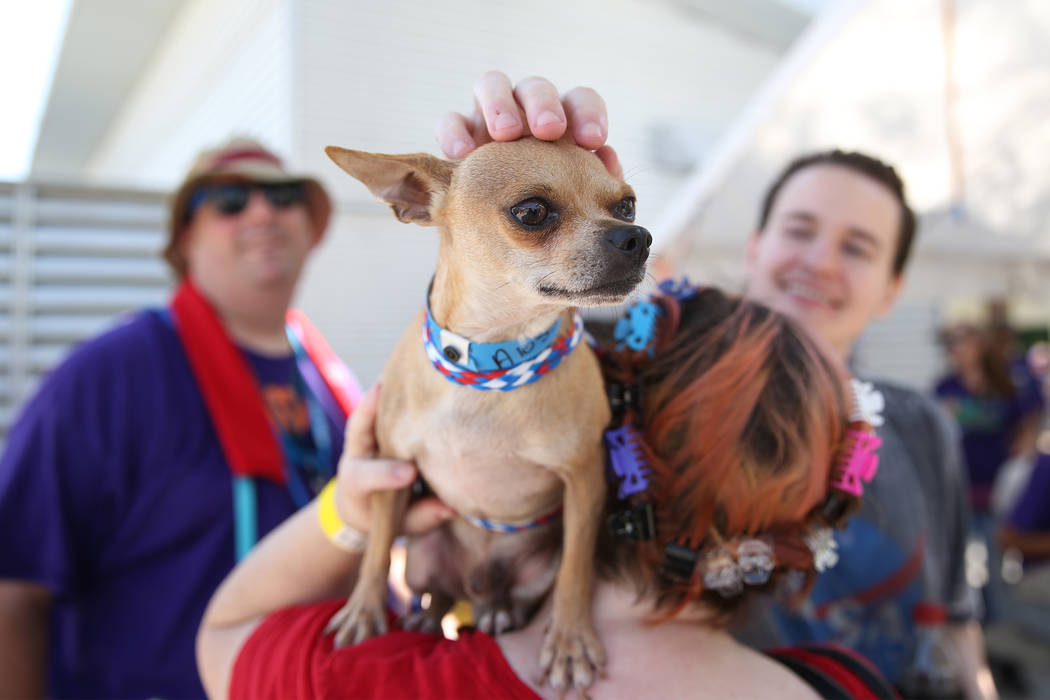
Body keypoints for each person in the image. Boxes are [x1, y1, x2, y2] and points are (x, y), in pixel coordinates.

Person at [432, 73, 992, 699]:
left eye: (858, 248)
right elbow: (475, 363)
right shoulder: (622, 374)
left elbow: (954, 619)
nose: (821, 261)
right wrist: (490, 188)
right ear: (755, 246)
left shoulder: (919, 425)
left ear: (893, 289)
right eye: (800, 230)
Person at [199, 284, 897, 699]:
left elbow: (225, 630)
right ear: (816, 513)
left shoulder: (378, 683)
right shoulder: (848, 685)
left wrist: (350, 510)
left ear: (588, 436)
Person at [0, 138, 360, 699]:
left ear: (311, 229)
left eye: (283, 195)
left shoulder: (329, 379)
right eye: (231, 200)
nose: (262, 211)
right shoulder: (107, 376)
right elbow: (14, 585)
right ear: (185, 239)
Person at [934, 320, 1043, 623]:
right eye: (949, 344)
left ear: (978, 345)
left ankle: (1003, 628)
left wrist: (1024, 448)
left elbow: (1030, 416)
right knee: (959, 566)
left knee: (997, 566)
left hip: (1000, 490)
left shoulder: (1008, 382)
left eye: (960, 342)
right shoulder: (945, 386)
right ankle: (971, 624)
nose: (954, 350)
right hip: (960, 491)